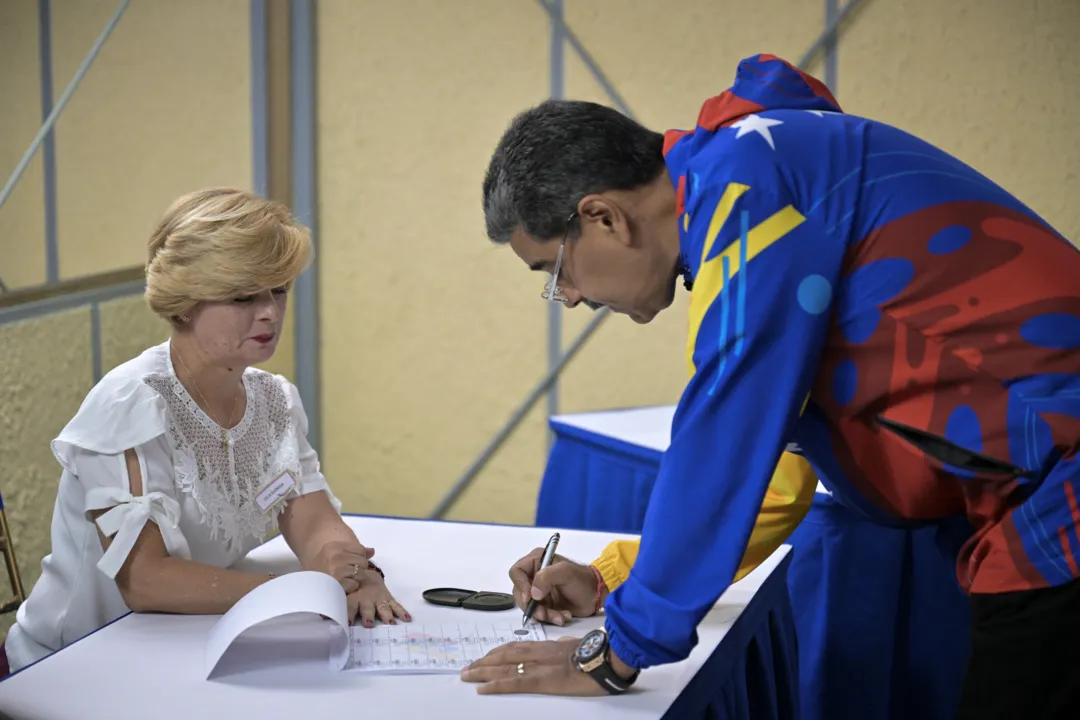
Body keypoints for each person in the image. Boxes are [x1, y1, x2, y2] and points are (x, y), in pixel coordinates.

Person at [460, 53, 1080, 718]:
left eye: (555, 273)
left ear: (604, 217)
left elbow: (726, 437)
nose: (572, 297)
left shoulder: (750, 193)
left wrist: (617, 654)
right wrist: (614, 579)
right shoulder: (753, 176)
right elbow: (778, 467)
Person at [2, 188, 410, 675]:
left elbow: (314, 521)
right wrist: (303, 591)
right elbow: (145, 580)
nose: (270, 313)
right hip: (75, 664)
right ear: (185, 302)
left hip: (188, 644)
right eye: (243, 296)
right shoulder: (130, 405)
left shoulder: (274, 399)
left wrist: (356, 574)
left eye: (279, 289)